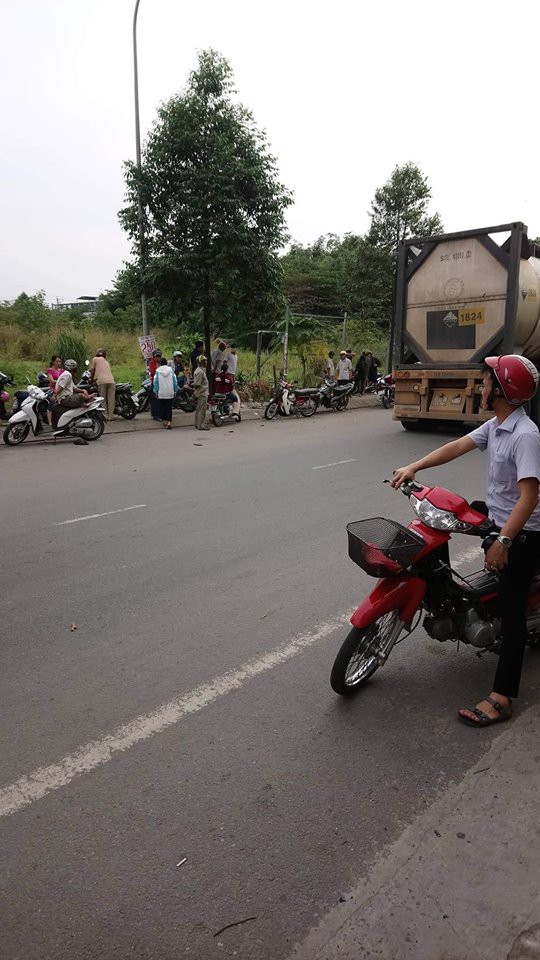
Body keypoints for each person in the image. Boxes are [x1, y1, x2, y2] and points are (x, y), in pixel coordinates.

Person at [391, 354, 540, 728]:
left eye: (487, 381)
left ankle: (502, 697)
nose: (482, 386)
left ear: (502, 389)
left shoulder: (525, 435)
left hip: (524, 532)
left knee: (512, 607)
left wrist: (504, 542)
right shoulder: (497, 424)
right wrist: (414, 467)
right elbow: (457, 446)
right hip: (501, 518)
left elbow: (529, 497)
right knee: (460, 514)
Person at [51, 359, 93, 425]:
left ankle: (84, 401)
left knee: (81, 394)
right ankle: (86, 400)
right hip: (65, 399)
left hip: (67, 397)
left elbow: (74, 388)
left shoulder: (67, 374)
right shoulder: (67, 375)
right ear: (73, 368)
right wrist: (54, 395)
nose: (76, 370)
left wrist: (83, 390)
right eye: (75, 368)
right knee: (81, 396)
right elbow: (61, 387)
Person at [90, 349, 116, 421]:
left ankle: (105, 416)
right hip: (111, 381)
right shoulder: (106, 361)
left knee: (103, 399)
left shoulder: (95, 359)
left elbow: (92, 370)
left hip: (101, 381)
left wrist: (91, 379)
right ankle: (111, 416)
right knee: (111, 399)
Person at [152, 356, 177, 429]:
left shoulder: (158, 371)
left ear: (160, 364)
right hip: (170, 391)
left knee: (162, 407)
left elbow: (155, 382)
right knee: (169, 408)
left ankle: (164, 421)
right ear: (166, 363)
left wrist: (155, 391)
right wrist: (175, 390)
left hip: (161, 392)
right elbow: (174, 381)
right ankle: (169, 422)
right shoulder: (171, 370)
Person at [193, 355, 210, 430]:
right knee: (202, 410)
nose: (206, 362)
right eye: (205, 361)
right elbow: (197, 384)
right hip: (202, 393)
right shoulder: (200, 372)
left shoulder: (200, 370)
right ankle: (200, 425)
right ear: (202, 362)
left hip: (201, 392)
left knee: (199, 409)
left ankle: (198, 424)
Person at [147, 349, 162, 420]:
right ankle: (155, 415)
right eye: (156, 356)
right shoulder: (151, 363)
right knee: (155, 399)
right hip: (155, 382)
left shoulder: (162, 362)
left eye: (159, 356)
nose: (158, 358)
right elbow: (152, 372)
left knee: (160, 399)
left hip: (162, 382)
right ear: (154, 356)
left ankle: (159, 414)